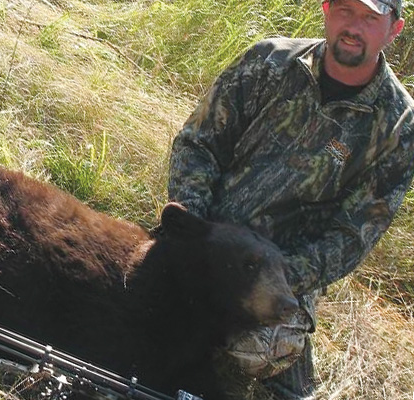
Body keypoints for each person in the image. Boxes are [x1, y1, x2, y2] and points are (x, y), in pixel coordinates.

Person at [167, 0, 412, 398]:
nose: (354, 27)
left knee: (258, 353)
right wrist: (194, 230)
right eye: (346, 10)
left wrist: (272, 278)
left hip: (278, 276)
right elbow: (198, 144)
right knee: (132, 301)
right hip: (207, 240)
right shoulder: (269, 61)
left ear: (394, 30)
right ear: (326, 9)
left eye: (370, 18)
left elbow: (351, 237)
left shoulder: (398, 125)